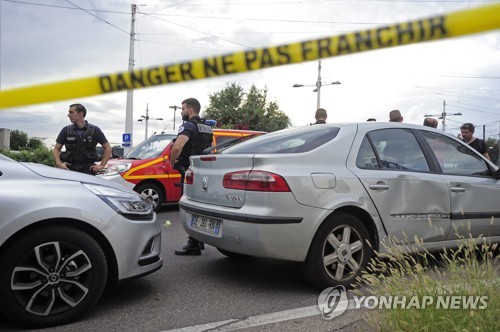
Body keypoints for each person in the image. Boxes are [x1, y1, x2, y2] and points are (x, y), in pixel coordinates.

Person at [170, 98, 214, 256]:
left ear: (190, 110)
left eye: (182, 109)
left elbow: (178, 146)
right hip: (204, 171)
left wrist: (172, 161)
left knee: (189, 207)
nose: (181, 112)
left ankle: (193, 244)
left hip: (189, 171)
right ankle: (199, 240)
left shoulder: (188, 125)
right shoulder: (207, 127)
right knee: (200, 206)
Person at [53, 103, 111, 175]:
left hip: (88, 170)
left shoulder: (95, 130)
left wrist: (102, 165)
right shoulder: (66, 130)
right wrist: (59, 163)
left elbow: (108, 148)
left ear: (80, 113)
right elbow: (56, 149)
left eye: (71, 112)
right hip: (69, 169)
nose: (68, 115)